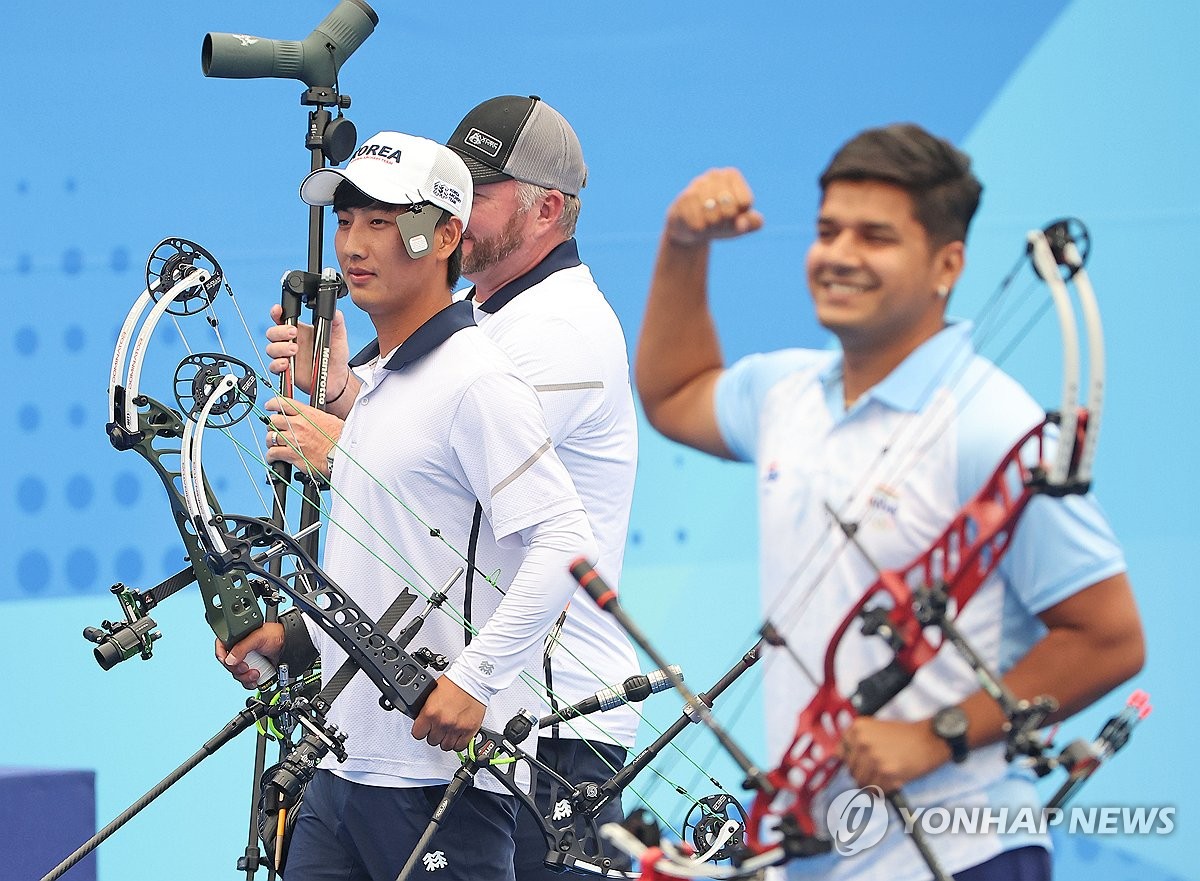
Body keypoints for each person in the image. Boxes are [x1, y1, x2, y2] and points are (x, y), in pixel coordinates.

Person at [634, 124, 1144, 880]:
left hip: (963, 851)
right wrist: (682, 243)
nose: (839, 255)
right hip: (819, 852)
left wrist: (938, 734)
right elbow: (674, 392)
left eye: (875, 237)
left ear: (947, 264)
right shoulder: (788, 391)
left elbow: (1108, 637)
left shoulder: (992, 426)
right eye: (828, 230)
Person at [256, 97, 642, 879]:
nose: (461, 198)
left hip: (549, 708)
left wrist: (341, 441)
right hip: (423, 707)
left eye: (482, 186)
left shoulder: (558, 328)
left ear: (549, 209)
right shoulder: (463, 319)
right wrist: (336, 394)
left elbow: (447, 485)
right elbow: (403, 465)